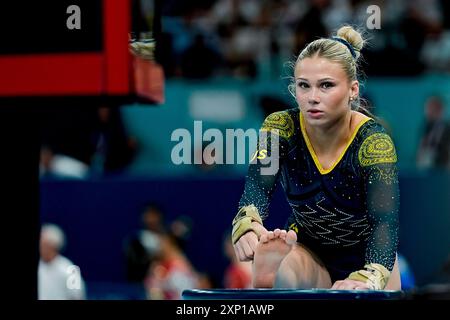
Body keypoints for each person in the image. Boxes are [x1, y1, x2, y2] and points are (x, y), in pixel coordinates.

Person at [232, 25, 401, 291]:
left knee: (369, 289)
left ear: (353, 90)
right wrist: (247, 222)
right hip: (308, 249)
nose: (312, 98)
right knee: (288, 269)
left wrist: (373, 274)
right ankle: (273, 275)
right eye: (303, 86)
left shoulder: (373, 142)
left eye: (326, 86)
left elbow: (385, 221)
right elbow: (256, 190)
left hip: (368, 256)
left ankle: (359, 280)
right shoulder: (280, 128)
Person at [38, 223, 86, 300]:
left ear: (53, 245)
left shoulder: (71, 269)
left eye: (43, 244)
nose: (40, 247)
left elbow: (78, 296)